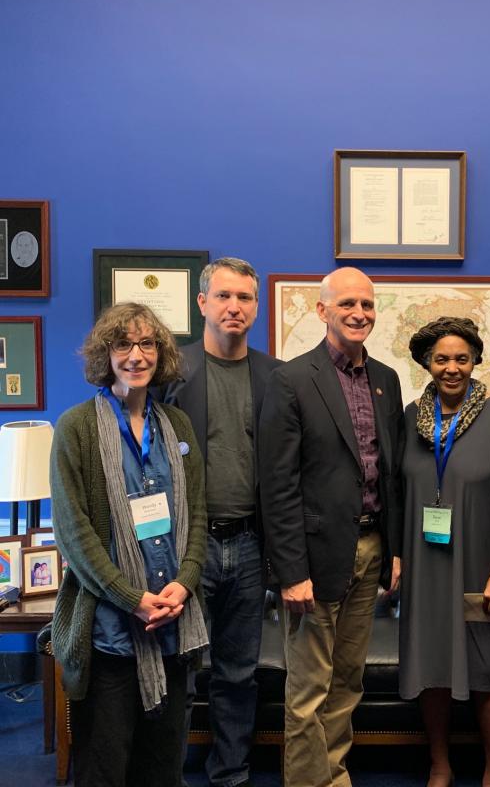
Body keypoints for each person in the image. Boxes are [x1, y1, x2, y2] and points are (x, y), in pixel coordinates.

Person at [50, 303, 208, 787]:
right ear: (106, 354)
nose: (136, 355)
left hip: (172, 626)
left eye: (147, 344)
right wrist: (132, 599)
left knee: (162, 768)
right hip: (110, 635)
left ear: (160, 353)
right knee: (105, 768)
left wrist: (183, 585)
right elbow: (74, 534)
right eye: (124, 344)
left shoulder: (177, 427)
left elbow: (198, 513)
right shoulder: (75, 428)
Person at [260, 267, 404, 787]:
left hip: (370, 552)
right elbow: (276, 486)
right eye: (347, 304)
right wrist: (290, 572)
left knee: (348, 681)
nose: (359, 313)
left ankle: (333, 775)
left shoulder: (387, 381)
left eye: (366, 304)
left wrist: (395, 552)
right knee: (308, 691)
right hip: (315, 558)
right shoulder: (292, 380)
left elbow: (390, 476)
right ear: (322, 311)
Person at [158, 257, 281, 786]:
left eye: (246, 298)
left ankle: (229, 772)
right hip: (189, 548)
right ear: (202, 303)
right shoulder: (172, 375)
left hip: (251, 546)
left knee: (238, 672)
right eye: (225, 296)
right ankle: (163, 772)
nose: (235, 307)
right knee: (177, 668)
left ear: (256, 307)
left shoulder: (275, 376)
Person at [400, 317, 490, 787]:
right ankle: (440, 763)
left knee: (488, 666)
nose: (452, 368)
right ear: (427, 363)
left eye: (461, 358)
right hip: (425, 563)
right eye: (441, 359)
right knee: (432, 663)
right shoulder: (409, 418)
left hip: (481, 563)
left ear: (476, 361)